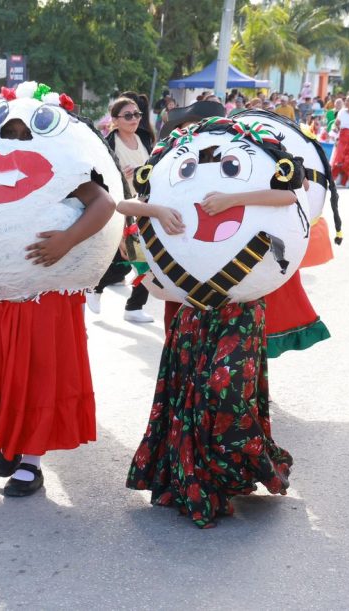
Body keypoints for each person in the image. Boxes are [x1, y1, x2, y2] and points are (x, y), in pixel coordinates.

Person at [0, 87, 119, 497]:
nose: (14, 139)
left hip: (43, 302)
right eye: (7, 130)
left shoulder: (64, 163)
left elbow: (103, 203)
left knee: (36, 380)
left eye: (23, 132)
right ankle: (11, 439)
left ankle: (30, 461)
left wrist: (67, 239)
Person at [125, 129, 304, 528]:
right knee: (189, 394)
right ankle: (202, 479)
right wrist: (156, 211)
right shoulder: (174, 175)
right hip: (193, 311)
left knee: (226, 388)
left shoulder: (250, 173)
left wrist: (232, 198)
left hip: (241, 310)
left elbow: (290, 195)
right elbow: (122, 204)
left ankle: (239, 465)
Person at [87, 97, 155, 323]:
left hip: (146, 206)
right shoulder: (108, 144)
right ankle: (97, 288)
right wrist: (121, 177)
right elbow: (100, 180)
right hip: (122, 209)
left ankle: (133, 306)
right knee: (131, 261)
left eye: (137, 114)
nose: (134, 119)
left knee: (144, 261)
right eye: (128, 115)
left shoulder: (144, 139)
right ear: (115, 120)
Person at [331, 94, 349, 188]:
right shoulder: (342, 112)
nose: (345, 102)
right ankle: (339, 178)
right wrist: (335, 128)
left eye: (347, 100)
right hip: (343, 138)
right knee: (340, 159)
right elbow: (336, 124)